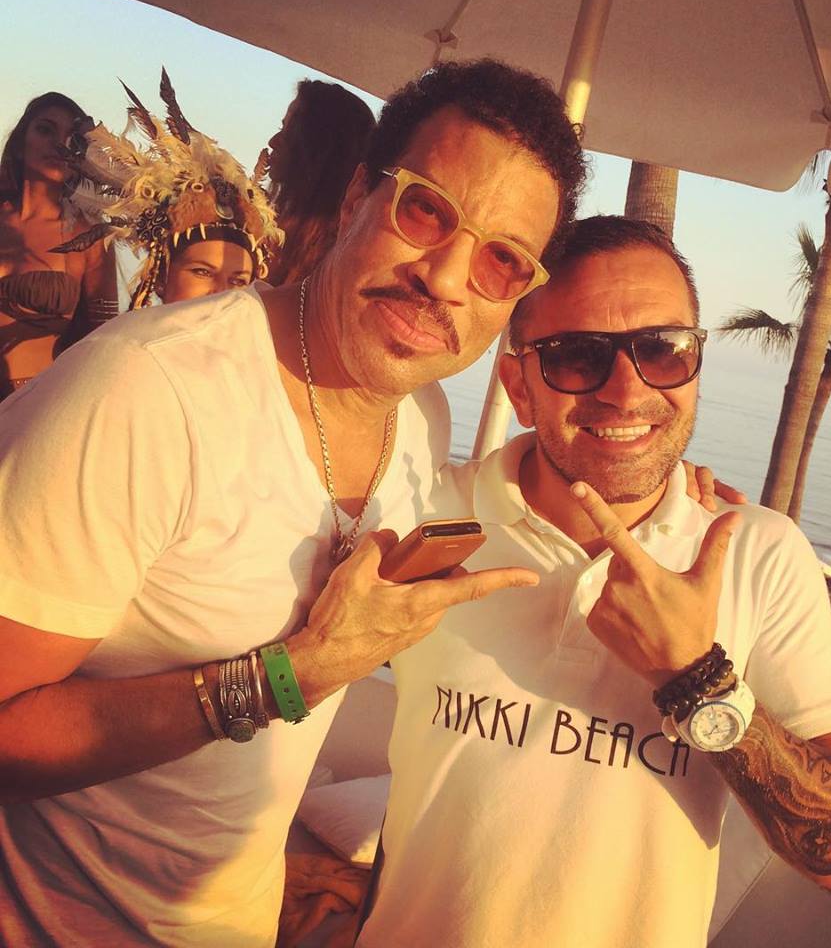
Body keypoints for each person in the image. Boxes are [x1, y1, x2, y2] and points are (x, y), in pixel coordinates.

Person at [0, 59, 586, 947]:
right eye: (426, 210)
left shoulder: (421, 420)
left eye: (502, 260)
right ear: (356, 197)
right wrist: (290, 675)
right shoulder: (148, 392)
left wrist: (679, 494)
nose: (447, 278)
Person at [359, 217, 831, 948]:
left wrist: (698, 680)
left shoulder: (756, 554)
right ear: (518, 385)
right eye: (578, 356)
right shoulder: (425, 512)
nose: (627, 389)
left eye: (662, 349)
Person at [55, 71, 284, 308]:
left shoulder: (254, 333)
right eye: (202, 272)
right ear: (160, 278)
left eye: (238, 281)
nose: (220, 294)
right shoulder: (130, 334)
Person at [0, 92, 118, 397]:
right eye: (45, 130)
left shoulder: (90, 236)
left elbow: (102, 343)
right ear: (20, 143)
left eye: (72, 139)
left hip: (31, 406)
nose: (59, 145)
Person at [262, 79, 376, 286]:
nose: (273, 141)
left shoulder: (338, 258)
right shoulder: (264, 222)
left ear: (318, 152)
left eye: (289, 132)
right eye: (281, 127)